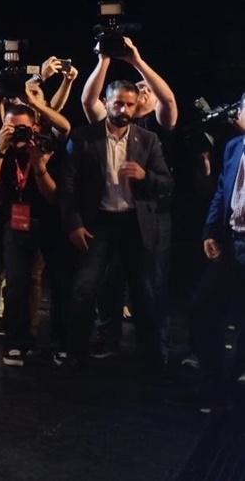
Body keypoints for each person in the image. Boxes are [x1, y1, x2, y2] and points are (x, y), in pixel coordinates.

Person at [59, 80, 174, 366]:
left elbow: (168, 185)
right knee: (84, 289)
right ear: (106, 103)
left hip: (134, 225)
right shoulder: (84, 137)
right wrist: (73, 222)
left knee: (143, 292)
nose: (123, 109)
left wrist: (144, 176)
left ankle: (151, 358)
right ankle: (75, 353)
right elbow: (67, 185)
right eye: (118, 103)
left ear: (136, 107)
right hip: (99, 223)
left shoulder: (147, 140)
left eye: (129, 104)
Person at [0, 103, 69, 367]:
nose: (17, 132)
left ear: (35, 126)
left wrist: (39, 165)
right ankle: (17, 341)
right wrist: (0, 148)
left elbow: (53, 196)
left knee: (55, 282)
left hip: (47, 222)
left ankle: (59, 342)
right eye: (10, 127)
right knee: (16, 282)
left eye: (23, 128)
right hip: (13, 222)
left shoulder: (47, 146)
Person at [180, 92, 245, 410]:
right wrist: (209, 231)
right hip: (231, 243)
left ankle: (234, 386)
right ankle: (216, 383)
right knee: (203, 310)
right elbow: (222, 190)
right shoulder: (234, 147)